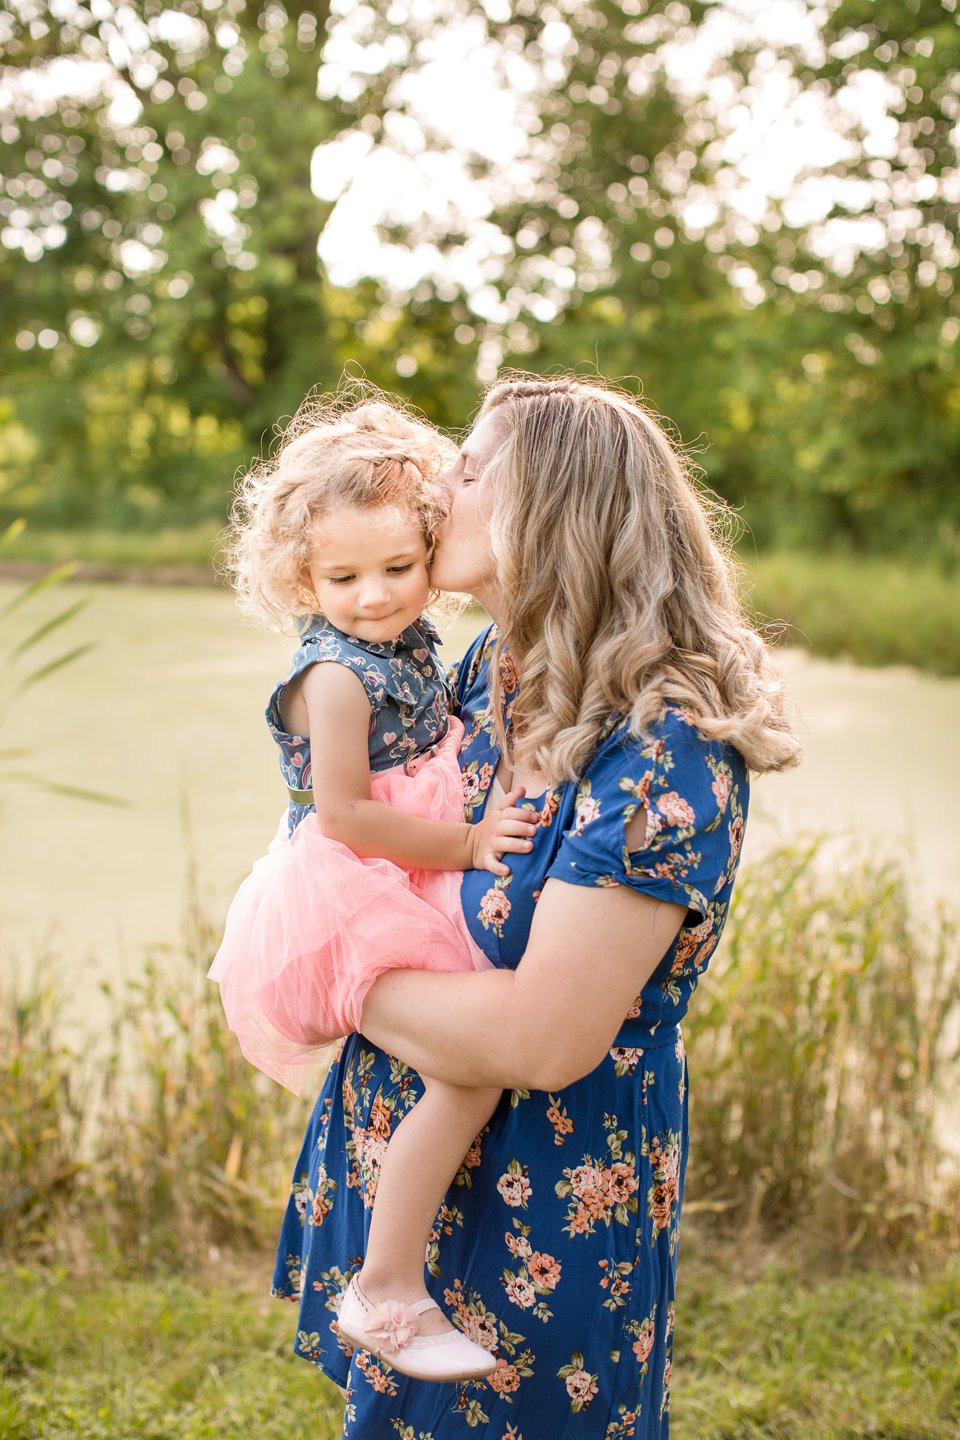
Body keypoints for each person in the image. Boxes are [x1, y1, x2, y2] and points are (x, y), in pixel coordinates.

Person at [272, 372, 802, 1436]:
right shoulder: (484, 668)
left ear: (544, 506)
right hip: (411, 1150)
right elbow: (349, 834)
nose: (438, 486)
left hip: (550, 1186)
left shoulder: (663, 740)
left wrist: (335, 971)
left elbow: (545, 1038)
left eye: (469, 468)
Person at [211, 393, 542, 1382]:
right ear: (302, 576)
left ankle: (404, 1272)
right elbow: (348, 814)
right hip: (366, 877)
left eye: (399, 569)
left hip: (400, 861)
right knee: (469, 1067)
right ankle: (387, 1285)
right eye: (343, 577)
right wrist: (472, 842)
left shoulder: (406, 645)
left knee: (459, 1070)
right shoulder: (338, 678)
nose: (374, 596)